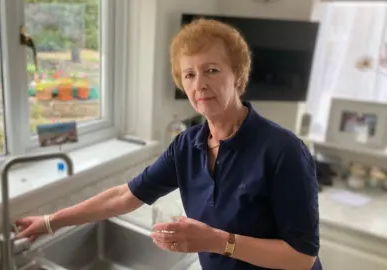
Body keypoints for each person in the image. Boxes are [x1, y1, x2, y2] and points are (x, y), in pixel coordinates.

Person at [16, 18, 321, 270]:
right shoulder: (188, 145)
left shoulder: (283, 150)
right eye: (189, 74)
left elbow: (302, 257)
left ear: (238, 75)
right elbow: (124, 196)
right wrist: (50, 221)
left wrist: (215, 241)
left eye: (211, 70)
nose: (199, 84)